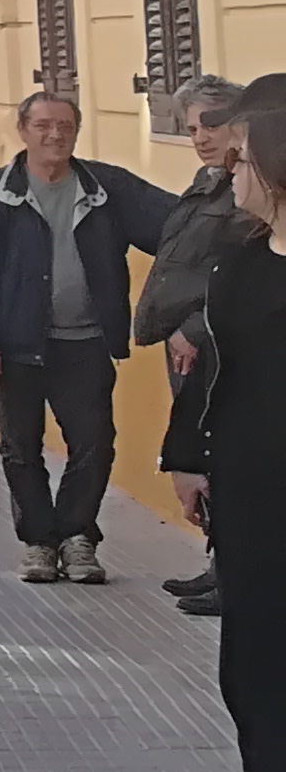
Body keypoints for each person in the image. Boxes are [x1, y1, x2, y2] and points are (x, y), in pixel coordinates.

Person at [0, 91, 175, 585]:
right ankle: (38, 543)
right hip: (15, 346)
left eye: (65, 126)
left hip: (86, 342)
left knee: (94, 443)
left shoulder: (107, 187)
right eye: (45, 126)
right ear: (23, 130)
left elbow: (176, 228)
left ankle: (77, 538)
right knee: (20, 447)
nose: (56, 135)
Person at [167, 103, 286, 772]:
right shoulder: (237, 260)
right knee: (256, 657)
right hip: (254, 488)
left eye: (242, 164)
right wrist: (185, 456)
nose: (230, 175)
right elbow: (214, 366)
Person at [142, 77, 255, 617]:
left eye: (211, 123)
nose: (200, 137)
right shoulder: (207, 181)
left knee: (218, 457)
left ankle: (234, 578)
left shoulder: (251, 187)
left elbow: (237, 273)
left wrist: (197, 325)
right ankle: (220, 568)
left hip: (210, 340)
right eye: (191, 128)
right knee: (199, 456)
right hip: (186, 341)